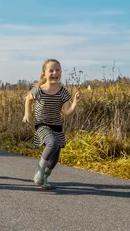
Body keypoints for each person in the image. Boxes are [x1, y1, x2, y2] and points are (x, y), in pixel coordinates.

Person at [22, 58, 81, 190]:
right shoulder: (39, 90)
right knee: (52, 143)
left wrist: (75, 103)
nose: (55, 73)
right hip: (42, 124)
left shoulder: (63, 92)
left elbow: (67, 112)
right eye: (51, 70)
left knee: (55, 158)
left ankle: (44, 177)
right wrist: (27, 114)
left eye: (58, 70)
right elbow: (28, 99)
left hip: (56, 125)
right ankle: (39, 170)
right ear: (44, 74)